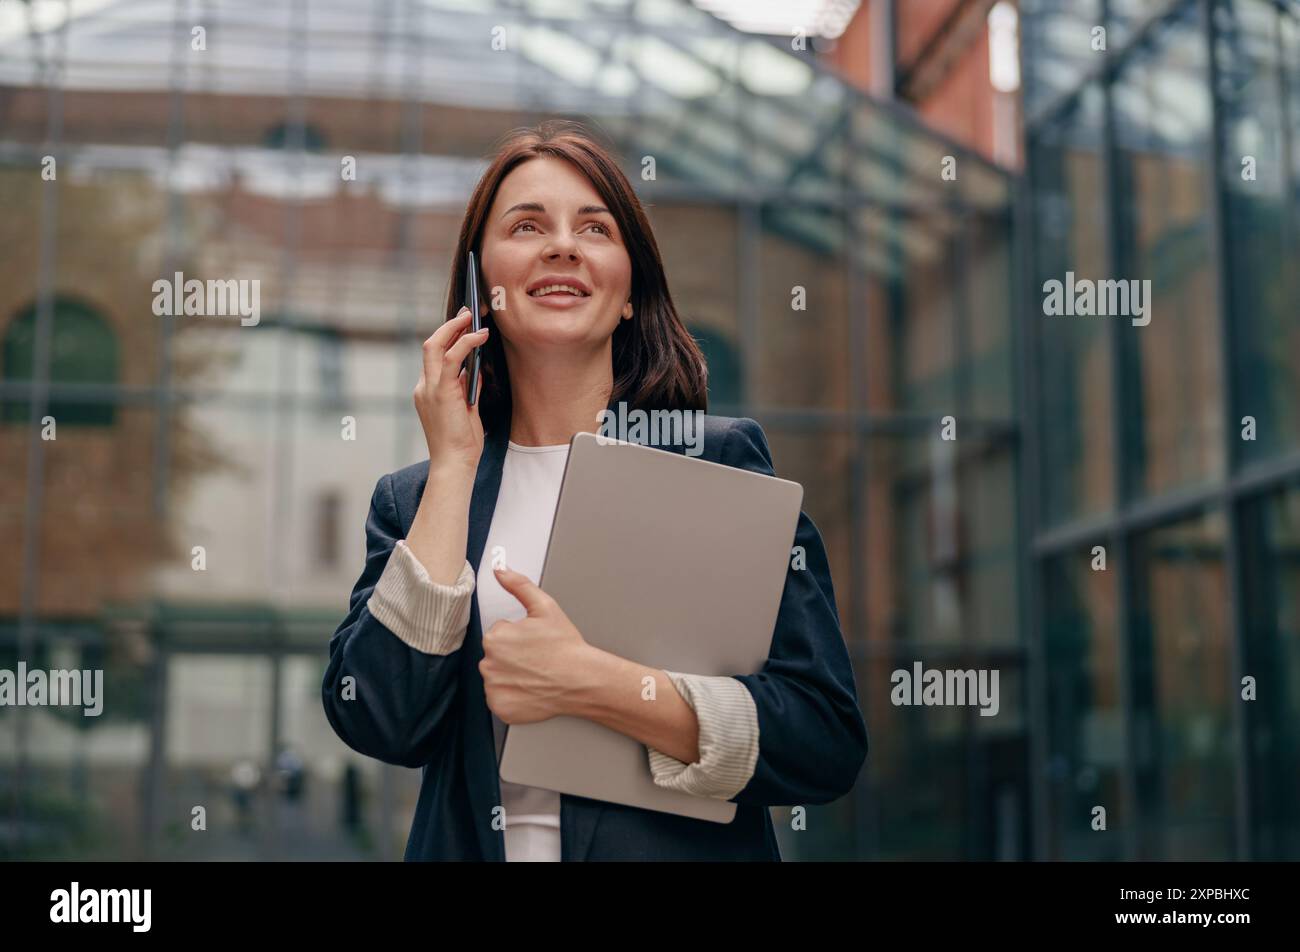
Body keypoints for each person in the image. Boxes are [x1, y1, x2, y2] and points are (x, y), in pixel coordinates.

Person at [321, 120, 867, 861]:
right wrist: (452, 464)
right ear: (483, 288)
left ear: (631, 291)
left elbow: (822, 740)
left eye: (595, 227)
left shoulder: (717, 466)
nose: (562, 245)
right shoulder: (415, 500)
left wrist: (596, 685)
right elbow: (381, 719)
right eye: (527, 225)